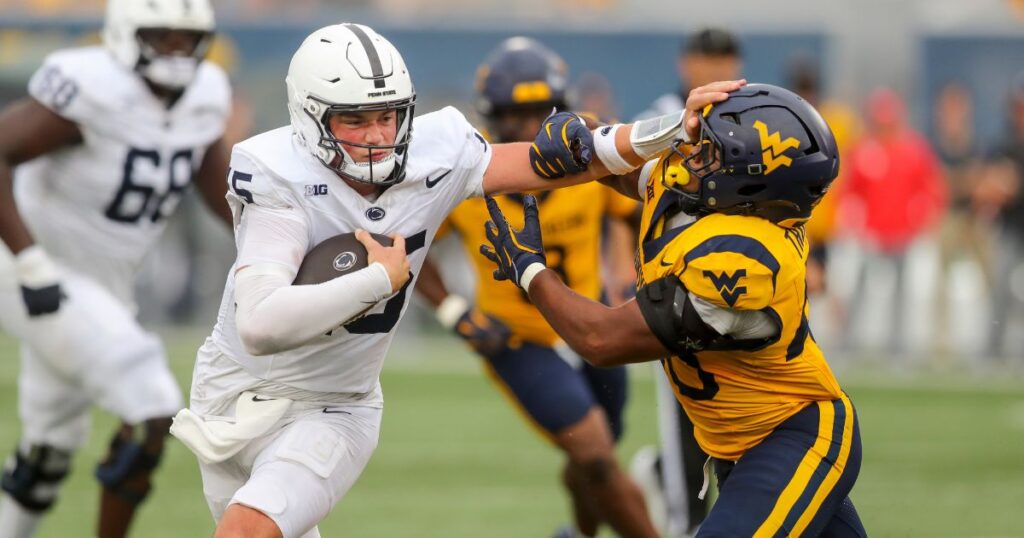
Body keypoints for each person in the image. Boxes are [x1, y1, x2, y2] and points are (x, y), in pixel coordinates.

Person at [169, 22, 742, 538]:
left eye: (387, 115)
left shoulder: (436, 150)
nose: (375, 135)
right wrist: (378, 281)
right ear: (309, 118)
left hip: (333, 405)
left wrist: (673, 130)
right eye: (355, 119)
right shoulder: (277, 173)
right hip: (230, 395)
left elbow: (574, 157)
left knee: (248, 531)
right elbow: (260, 325)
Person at [482, 83, 866, 537]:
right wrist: (576, 126)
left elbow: (600, 340)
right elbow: (617, 166)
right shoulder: (709, 198)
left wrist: (530, 272)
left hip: (793, 436)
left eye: (712, 152)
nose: (691, 157)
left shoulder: (750, 261)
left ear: (754, 180)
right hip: (736, 445)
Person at [0, 1, 232, 537]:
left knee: (51, 445)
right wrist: (29, 261)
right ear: (127, 35)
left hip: (105, 284)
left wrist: (270, 243)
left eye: (186, 39)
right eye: (162, 37)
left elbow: (220, 187)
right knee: (152, 406)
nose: (176, 51)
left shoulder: (205, 96)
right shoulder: (92, 88)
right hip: (37, 269)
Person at [414, 37, 654, 538]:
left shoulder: (588, 152)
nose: (528, 127)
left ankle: (581, 535)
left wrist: (626, 272)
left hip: (591, 321)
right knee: (593, 450)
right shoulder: (465, 168)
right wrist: (453, 311)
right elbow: (407, 245)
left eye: (539, 112)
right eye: (514, 115)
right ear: (490, 117)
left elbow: (636, 210)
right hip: (517, 337)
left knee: (595, 456)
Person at [632, 26, 743, 537]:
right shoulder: (660, 117)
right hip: (676, 281)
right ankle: (682, 521)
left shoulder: (751, 115)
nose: (715, 69)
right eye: (706, 59)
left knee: (741, 412)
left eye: (725, 58)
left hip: (739, 282)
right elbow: (626, 199)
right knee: (684, 413)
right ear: (686, 65)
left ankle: (665, 481)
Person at [838, 88, 946, 355]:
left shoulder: (913, 149)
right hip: (871, 235)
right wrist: (851, 222)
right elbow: (849, 190)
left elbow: (932, 188)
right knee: (859, 288)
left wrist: (923, 219)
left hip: (902, 234)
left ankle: (897, 348)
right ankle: (849, 343)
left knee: (901, 292)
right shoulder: (863, 148)